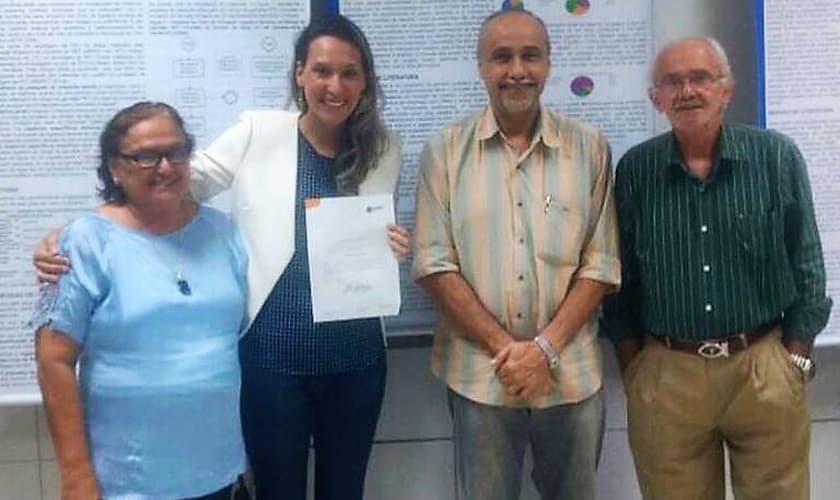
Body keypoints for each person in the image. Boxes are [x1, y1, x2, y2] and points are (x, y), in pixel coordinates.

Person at [35, 14, 409, 500]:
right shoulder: (261, 131)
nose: (334, 85)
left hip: (357, 359)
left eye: (349, 72)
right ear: (299, 74)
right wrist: (76, 230)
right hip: (272, 361)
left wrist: (395, 248)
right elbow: (173, 181)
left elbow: (374, 237)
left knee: (346, 490)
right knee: (278, 491)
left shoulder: (386, 149)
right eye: (321, 70)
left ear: (365, 81)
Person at [602, 37, 832, 500]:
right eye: (673, 81)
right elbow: (619, 278)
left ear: (726, 89)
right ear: (656, 98)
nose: (687, 90)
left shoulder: (775, 157)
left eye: (701, 78)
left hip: (762, 365)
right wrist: (635, 368)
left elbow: (806, 261)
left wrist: (796, 357)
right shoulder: (636, 170)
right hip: (668, 374)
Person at [411, 9, 620, 500]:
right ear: (482, 67)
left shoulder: (589, 147)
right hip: (481, 379)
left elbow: (601, 263)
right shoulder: (443, 151)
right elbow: (433, 263)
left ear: (549, 64)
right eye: (501, 57)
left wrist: (543, 350)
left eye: (531, 56)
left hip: (571, 377)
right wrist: (511, 353)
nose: (517, 70)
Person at [32, 102, 247, 500]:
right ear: (115, 167)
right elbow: (53, 359)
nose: (165, 166)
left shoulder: (225, 233)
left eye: (176, 151)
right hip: (127, 485)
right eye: (145, 156)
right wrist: (76, 476)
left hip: (221, 476)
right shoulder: (83, 243)